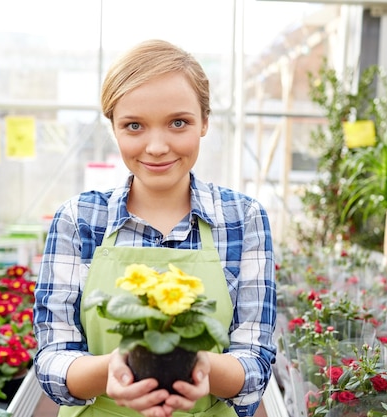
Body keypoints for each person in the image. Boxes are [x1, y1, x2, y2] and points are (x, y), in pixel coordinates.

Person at [33, 39, 277, 417]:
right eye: (134, 126)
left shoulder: (242, 218)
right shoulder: (79, 219)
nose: (157, 146)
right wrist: (109, 371)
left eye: (178, 122)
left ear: (205, 122)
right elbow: (52, 358)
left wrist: (205, 369)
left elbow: (255, 362)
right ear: (114, 128)